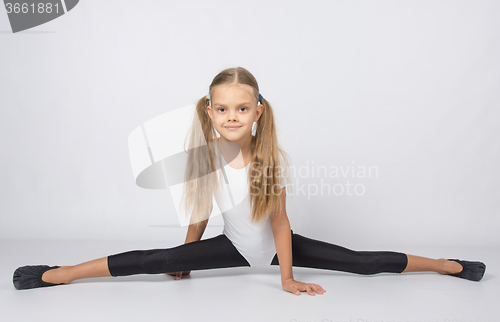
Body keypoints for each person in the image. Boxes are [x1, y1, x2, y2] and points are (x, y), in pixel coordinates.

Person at [12, 67, 486, 295]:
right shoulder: (203, 159)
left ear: (258, 111)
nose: (231, 116)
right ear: (209, 111)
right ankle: (65, 272)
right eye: (222, 108)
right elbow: (199, 211)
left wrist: (286, 277)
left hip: (279, 246)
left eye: (242, 108)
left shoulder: (267, 160)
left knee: (361, 263)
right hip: (232, 246)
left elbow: (280, 223)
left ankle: (444, 264)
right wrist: (184, 257)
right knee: (152, 259)